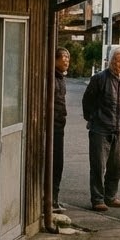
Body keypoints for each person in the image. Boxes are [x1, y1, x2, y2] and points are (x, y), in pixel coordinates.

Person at [82, 46, 120, 212]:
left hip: (117, 129)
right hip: (100, 129)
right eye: (119, 61)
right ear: (111, 61)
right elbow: (87, 101)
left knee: (116, 166)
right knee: (98, 166)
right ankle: (97, 199)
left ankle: (111, 196)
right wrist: (92, 118)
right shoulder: (99, 78)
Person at [52, 47, 70, 213]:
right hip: (52, 125)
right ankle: (51, 200)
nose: (66, 63)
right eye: (63, 59)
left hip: (59, 125)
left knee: (58, 164)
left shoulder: (61, 78)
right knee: (54, 163)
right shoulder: (52, 77)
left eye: (68, 60)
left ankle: (54, 199)